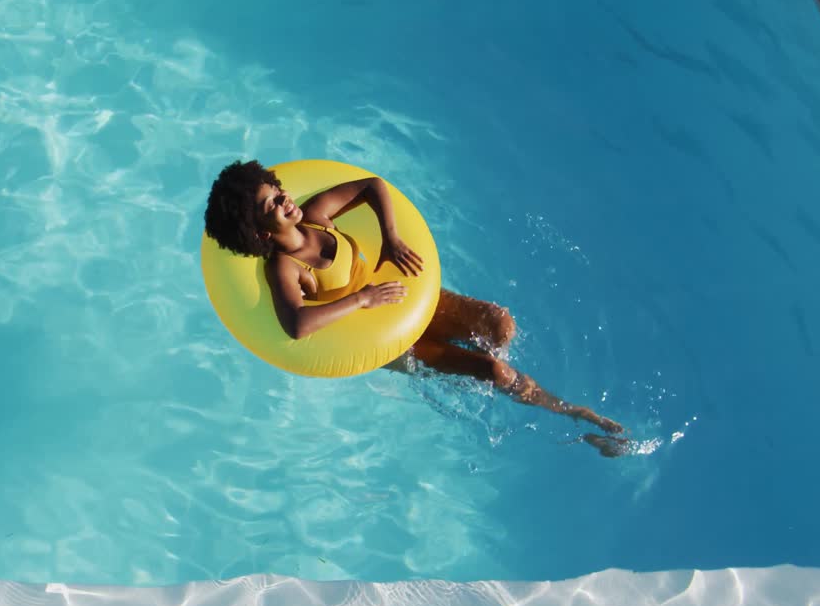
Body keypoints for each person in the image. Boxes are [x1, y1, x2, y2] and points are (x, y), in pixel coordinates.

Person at [204, 160, 630, 457]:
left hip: (400, 302)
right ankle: (580, 416)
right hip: (390, 343)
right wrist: (363, 299)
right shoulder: (286, 268)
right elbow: (297, 325)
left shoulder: (317, 215)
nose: (284, 200)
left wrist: (389, 238)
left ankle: (491, 369)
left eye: (277, 190)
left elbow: (373, 186)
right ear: (259, 234)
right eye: (271, 206)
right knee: (495, 371)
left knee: (500, 324)